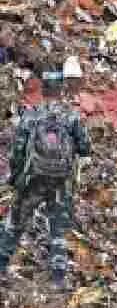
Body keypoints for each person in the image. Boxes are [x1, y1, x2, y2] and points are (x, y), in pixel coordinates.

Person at [0, 71, 92, 288]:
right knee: (57, 227)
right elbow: (86, 147)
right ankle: (58, 278)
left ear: (44, 89)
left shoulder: (31, 116)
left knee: (15, 222)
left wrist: (14, 178)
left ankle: (1, 265)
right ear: (61, 90)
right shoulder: (71, 116)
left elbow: (18, 151)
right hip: (60, 182)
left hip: (33, 179)